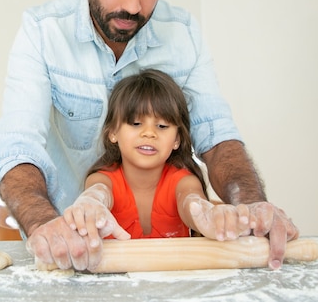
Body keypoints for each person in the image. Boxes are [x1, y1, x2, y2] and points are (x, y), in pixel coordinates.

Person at [0, 0, 298, 271]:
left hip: (164, 257)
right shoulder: (41, 32)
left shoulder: (182, 34)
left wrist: (249, 202)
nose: (134, 5)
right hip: (65, 255)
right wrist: (43, 223)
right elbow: (17, 145)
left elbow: (215, 134)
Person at [63, 69, 252, 248]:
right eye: (136, 123)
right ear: (112, 132)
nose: (149, 133)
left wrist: (209, 216)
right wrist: (90, 204)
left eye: (162, 126)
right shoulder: (102, 180)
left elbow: (191, 202)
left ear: (177, 139)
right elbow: (97, 194)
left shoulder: (183, 182)